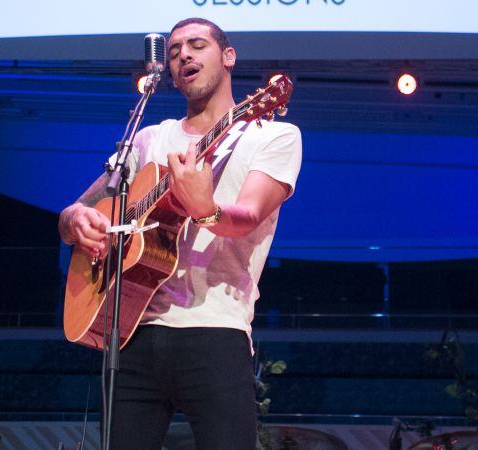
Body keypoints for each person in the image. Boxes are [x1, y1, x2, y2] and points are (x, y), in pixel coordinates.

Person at [58, 17, 302, 450]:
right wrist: (76, 220)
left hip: (215, 331)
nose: (183, 55)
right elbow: (77, 210)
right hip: (132, 334)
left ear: (228, 57)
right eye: (173, 52)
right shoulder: (150, 138)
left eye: (196, 45)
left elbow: (248, 216)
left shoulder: (274, 136)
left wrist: (205, 208)